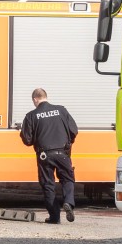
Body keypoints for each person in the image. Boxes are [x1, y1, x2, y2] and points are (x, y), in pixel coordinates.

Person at [19, 88, 78, 224]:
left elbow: (27, 140)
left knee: (48, 184)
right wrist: (68, 144)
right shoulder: (62, 110)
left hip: (44, 155)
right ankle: (69, 202)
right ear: (46, 97)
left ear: (35, 99)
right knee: (68, 179)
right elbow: (74, 130)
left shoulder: (31, 116)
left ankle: (54, 217)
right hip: (63, 153)